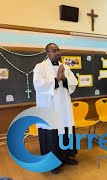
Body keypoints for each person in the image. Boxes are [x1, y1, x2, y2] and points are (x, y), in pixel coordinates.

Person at [33, 43, 78, 174]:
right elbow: (38, 85)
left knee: (65, 131)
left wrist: (64, 78)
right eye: (54, 50)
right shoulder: (40, 67)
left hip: (64, 107)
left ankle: (65, 157)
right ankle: (52, 163)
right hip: (50, 107)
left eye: (58, 50)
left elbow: (74, 82)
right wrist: (55, 79)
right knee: (52, 134)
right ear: (47, 52)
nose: (57, 52)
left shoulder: (65, 67)